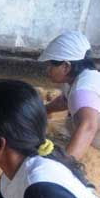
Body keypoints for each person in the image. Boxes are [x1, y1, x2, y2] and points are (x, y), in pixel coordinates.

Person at [39, 31, 100, 160]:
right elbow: (65, 100)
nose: (48, 70)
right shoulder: (84, 77)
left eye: (51, 65)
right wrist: (45, 110)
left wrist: (64, 165)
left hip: (93, 133)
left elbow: (88, 127)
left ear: (66, 66)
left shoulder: (81, 91)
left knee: (72, 126)